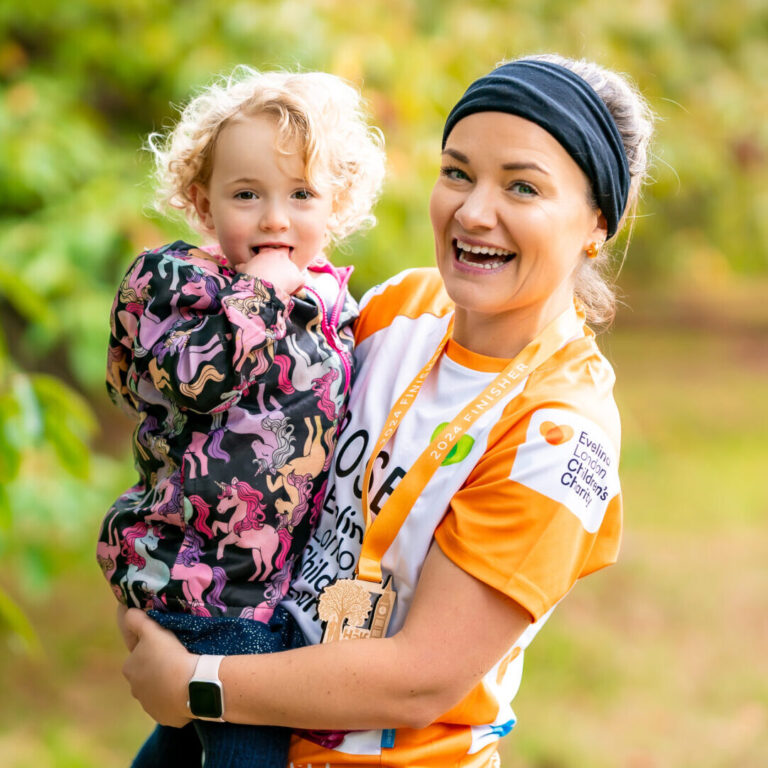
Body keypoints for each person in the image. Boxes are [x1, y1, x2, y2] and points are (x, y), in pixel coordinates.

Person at [120, 54, 654, 767]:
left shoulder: (558, 434)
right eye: (458, 172)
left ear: (596, 223)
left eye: (522, 186)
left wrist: (195, 687)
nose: (472, 211)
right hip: (250, 713)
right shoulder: (402, 306)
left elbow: (419, 680)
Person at [96, 66, 385, 767]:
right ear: (203, 202)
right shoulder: (177, 287)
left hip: (269, 593)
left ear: (336, 204)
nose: (275, 218)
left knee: (178, 748)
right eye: (247, 194)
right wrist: (254, 296)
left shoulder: (336, 310)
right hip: (203, 587)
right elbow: (189, 383)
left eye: (301, 195)